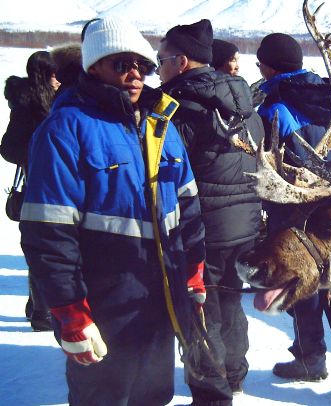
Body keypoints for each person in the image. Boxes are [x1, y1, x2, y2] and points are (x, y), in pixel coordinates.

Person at [19, 17, 205, 406]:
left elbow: (187, 207)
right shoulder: (65, 129)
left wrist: (193, 270)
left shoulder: (161, 125)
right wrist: (71, 312)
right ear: (94, 67)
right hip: (103, 307)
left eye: (143, 65)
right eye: (121, 64)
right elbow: (48, 234)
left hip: (159, 304)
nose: (135, 74)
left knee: (155, 396)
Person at [157, 19, 265, 406]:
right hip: (245, 224)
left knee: (203, 310)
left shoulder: (180, 110)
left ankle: (212, 389)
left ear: (181, 61)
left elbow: (166, 170)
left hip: (202, 227)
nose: (157, 69)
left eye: (160, 60)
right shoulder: (247, 107)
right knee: (230, 303)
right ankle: (234, 375)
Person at [255, 32, 331, 391]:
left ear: (269, 67)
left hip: (293, 213)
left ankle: (309, 358)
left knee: (298, 283)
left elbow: (268, 164)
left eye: (260, 64)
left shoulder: (274, 107)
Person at [0, 50, 60, 331]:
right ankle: (41, 312)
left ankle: (36, 304)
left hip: (54, 181)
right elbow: (9, 147)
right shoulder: (27, 102)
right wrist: (39, 154)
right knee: (43, 245)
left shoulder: (61, 98)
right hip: (37, 183)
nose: (58, 78)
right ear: (46, 74)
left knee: (48, 245)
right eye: (54, 73)